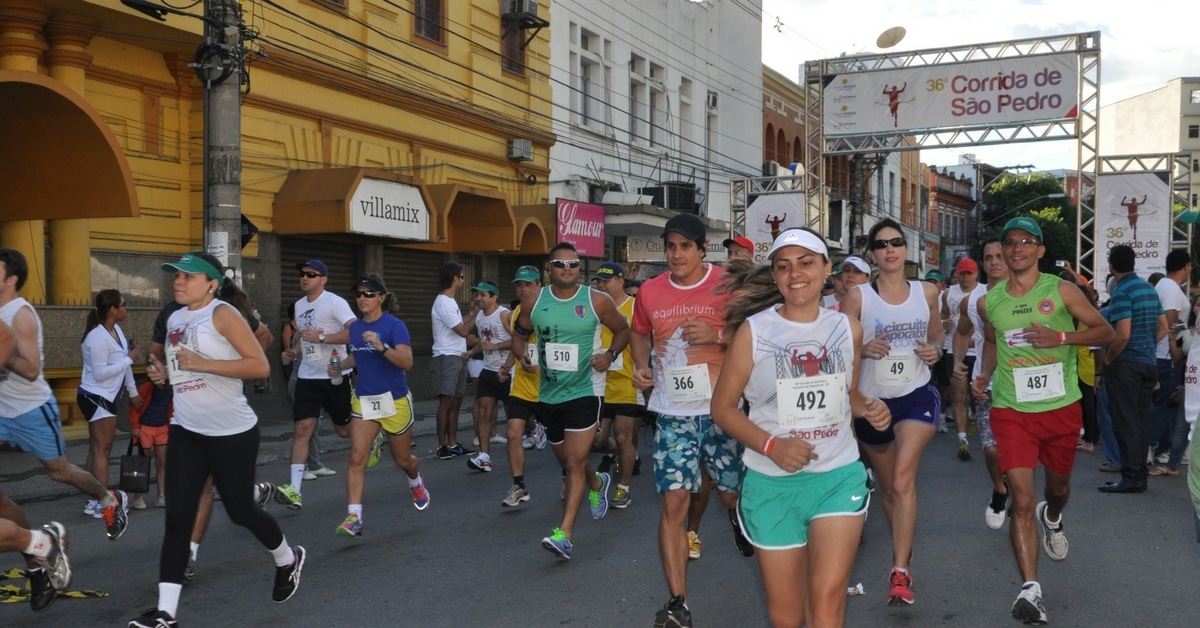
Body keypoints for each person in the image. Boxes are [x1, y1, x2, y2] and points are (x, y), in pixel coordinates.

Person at [712, 227, 891, 628]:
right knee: (787, 618)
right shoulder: (754, 331)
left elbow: (850, 393)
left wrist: (868, 407)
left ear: (827, 269)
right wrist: (772, 445)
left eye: (806, 262)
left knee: (827, 605)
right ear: (775, 276)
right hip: (772, 483)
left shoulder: (848, 329)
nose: (796, 273)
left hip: (837, 477)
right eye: (784, 266)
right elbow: (722, 408)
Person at [131, 251, 304, 628]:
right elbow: (182, 367)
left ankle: (287, 559)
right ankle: (166, 613)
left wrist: (201, 364)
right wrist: (164, 375)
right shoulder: (175, 317)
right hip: (187, 429)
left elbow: (258, 365)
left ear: (211, 283)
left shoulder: (222, 313)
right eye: (176, 275)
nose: (178, 281)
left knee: (241, 511)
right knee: (177, 518)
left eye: (188, 276)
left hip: (232, 431)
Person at [971, 217, 1113, 624]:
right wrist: (984, 374)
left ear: (1040, 250)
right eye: (1009, 242)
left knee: (1058, 489)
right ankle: (1031, 589)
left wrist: (1063, 338)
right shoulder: (989, 302)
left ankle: (1053, 518)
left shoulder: (1062, 290)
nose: (1016, 248)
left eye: (1026, 242)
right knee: (1023, 501)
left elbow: (1105, 332)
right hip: (1012, 411)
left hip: (1060, 410)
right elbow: (995, 344)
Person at [628, 213, 750, 628]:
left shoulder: (728, 286)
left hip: (721, 410)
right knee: (674, 502)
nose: (677, 254)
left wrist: (718, 338)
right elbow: (639, 331)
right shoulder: (649, 291)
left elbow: (756, 335)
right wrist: (642, 365)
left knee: (730, 494)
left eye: (686, 246)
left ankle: (737, 516)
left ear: (702, 249)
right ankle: (678, 601)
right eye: (671, 246)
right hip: (673, 413)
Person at [839, 218, 943, 606]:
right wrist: (863, 350)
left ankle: (900, 571)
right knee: (888, 489)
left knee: (902, 481)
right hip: (872, 404)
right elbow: (840, 347)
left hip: (916, 395)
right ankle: (903, 543)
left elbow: (936, 333)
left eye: (897, 242)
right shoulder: (858, 298)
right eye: (882, 245)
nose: (890, 249)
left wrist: (935, 348)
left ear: (905, 248)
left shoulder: (927, 291)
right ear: (873, 254)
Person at [0, 248, 129, 546]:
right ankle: (35, 550)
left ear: (12, 279)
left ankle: (108, 499)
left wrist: (4, 356)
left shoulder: (21, 315)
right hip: (3, 410)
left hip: (31, 408)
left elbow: (32, 369)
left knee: (59, 471)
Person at [510, 242, 630, 560]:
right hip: (548, 395)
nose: (568, 269)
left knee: (574, 463)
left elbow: (622, 330)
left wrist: (610, 354)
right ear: (549, 268)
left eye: (574, 264)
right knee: (566, 460)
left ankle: (564, 534)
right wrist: (522, 356)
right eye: (561, 264)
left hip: (586, 390)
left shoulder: (597, 301)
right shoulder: (533, 302)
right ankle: (597, 482)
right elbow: (520, 335)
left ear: (580, 268)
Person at [331, 274, 430, 538]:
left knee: (403, 460)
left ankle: (415, 481)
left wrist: (381, 345)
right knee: (355, 457)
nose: (362, 298)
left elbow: (407, 362)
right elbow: (357, 355)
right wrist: (340, 365)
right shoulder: (354, 329)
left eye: (368, 294)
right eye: (359, 294)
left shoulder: (394, 325)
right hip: (364, 400)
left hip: (394, 401)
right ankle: (354, 517)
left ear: (381, 298)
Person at [275, 259, 356, 510]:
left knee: (344, 431)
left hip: (335, 375)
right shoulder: (299, 305)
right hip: (308, 377)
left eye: (311, 274)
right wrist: (293, 352)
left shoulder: (335, 302)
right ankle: (295, 491)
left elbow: (354, 331)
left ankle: (369, 437)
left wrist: (322, 336)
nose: (304, 278)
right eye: (302, 274)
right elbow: (306, 338)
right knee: (302, 430)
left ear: (323, 279)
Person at [1098, 244, 1167, 494]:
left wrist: (1108, 359)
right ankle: (1139, 475)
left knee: (1125, 422)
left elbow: (1122, 334)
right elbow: (1164, 327)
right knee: (1140, 420)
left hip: (1125, 365)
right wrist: (1147, 346)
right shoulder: (1148, 289)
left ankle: (1131, 477)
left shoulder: (1121, 291)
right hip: (1148, 363)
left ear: (1112, 265)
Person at [951, 239, 1010, 529]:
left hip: (1023, 385)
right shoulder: (972, 300)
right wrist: (958, 363)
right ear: (982, 264)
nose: (995, 262)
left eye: (1000, 256)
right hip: (986, 383)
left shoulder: (1028, 295)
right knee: (990, 449)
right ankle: (1000, 490)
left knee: (1019, 450)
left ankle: (1017, 489)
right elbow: (962, 332)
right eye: (989, 258)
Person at [78, 289, 144, 512]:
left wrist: (133, 391)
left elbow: (125, 368)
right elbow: (100, 373)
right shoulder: (97, 337)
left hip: (103, 396)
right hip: (96, 395)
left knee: (96, 449)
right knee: (102, 451)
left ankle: (93, 498)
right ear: (113, 309)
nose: (126, 308)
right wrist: (128, 360)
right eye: (124, 304)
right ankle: (100, 502)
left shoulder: (116, 330)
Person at [496, 266, 548, 507]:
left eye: (528, 284)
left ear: (539, 285)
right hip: (523, 386)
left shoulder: (552, 308)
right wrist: (509, 366)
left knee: (562, 444)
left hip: (551, 388)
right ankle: (519, 486)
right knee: (513, 433)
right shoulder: (517, 312)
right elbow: (518, 344)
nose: (523, 289)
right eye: (519, 285)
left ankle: (568, 478)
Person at [591, 262, 639, 509]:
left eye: (606, 281)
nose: (601, 285)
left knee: (623, 436)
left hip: (626, 382)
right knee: (597, 441)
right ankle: (619, 457)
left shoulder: (634, 307)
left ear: (620, 282)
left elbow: (645, 341)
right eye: (598, 281)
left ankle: (623, 488)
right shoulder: (596, 308)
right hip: (598, 383)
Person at [431, 262, 478, 459]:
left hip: (458, 354)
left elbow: (460, 324)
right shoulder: (443, 301)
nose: (463, 280)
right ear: (454, 279)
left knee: (456, 401)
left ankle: (453, 442)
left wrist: (474, 313)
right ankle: (442, 445)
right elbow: (462, 330)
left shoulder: (451, 302)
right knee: (447, 401)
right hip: (446, 355)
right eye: (461, 276)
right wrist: (477, 314)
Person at [1149, 250, 1189, 467]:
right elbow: (1171, 321)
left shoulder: (1164, 285)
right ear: (1186, 266)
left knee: (1165, 404)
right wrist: (1189, 327)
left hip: (1163, 354)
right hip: (1166, 354)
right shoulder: (1171, 288)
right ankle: (1153, 445)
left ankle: (1160, 447)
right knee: (1165, 404)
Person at [466, 281, 511, 473]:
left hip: (507, 371)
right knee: (484, 412)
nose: (479, 299)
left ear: (494, 297)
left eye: (483, 295)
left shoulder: (503, 314)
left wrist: (495, 347)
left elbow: (518, 341)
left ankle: (535, 429)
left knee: (516, 414)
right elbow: (485, 342)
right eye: (477, 295)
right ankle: (484, 457)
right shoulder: (479, 318)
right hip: (488, 371)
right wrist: (471, 352)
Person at [944, 258, 983, 460]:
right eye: (962, 273)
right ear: (957, 274)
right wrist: (944, 323)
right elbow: (940, 317)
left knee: (978, 397)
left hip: (980, 353)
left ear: (976, 274)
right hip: (955, 351)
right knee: (958, 397)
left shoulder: (986, 292)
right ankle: (962, 441)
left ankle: (976, 417)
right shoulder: (948, 294)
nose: (966, 277)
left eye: (969, 273)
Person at [129, 378, 173, 509]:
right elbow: (134, 406)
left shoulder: (170, 386)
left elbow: (172, 407)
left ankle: (161, 496)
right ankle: (138, 498)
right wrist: (135, 426)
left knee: (162, 462)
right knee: (143, 464)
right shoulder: (147, 386)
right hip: (145, 428)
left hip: (162, 428)